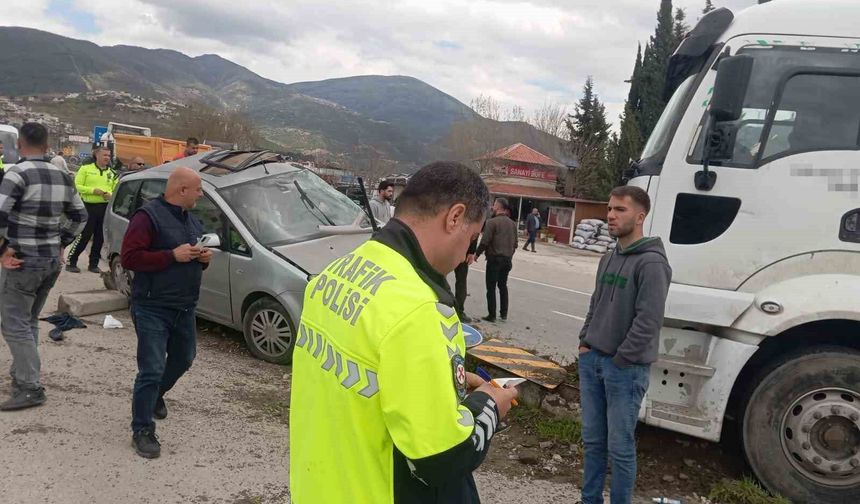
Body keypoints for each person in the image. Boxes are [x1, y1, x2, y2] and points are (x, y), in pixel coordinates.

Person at [290, 161, 519, 504]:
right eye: (471, 240)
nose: (465, 256)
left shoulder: (340, 270)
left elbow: (371, 370)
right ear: (454, 217)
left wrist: (443, 379)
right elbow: (442, 457)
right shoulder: (418, 309)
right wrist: (490, 404)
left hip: (319, 486)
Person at [577, 186, 672, 504]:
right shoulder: (608, 258)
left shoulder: (652, 264)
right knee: (592, 442)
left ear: (640, 216)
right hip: (593, 362)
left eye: (620, 210)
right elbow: (596, 302)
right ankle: (589, 500)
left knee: (620, 448)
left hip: (625, 370)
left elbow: (648, 320)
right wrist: (584, 342)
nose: (610, 216)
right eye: (609, 209)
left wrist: (621, 359)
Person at [121, 166, 212, 459]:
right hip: (152, 307)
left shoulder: (191, 221)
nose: (201, 194)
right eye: (198, 189)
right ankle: (142, 430)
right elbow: (130, 258)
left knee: (185, 358)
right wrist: (172, 255)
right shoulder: (147, 217)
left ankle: (156, 394)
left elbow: (191, 258)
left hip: (184, 306)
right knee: (151, 368)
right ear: (181, 190)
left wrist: (202, 259)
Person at [0, 123, 87, 411]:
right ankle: (22, 375)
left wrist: (2, 251)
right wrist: (62, 242)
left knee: (14, 324)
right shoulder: (64, 175)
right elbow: (80, 216)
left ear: (21, 144)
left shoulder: (17, 173)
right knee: (30, 320)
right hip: (50, 261)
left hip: (23, 260)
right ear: (47, 144)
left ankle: (30, 386)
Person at [66, 145, 117, 274]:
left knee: (100, 237)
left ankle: (93, 264)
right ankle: (71, 261)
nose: (107, 158)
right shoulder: (85, 169)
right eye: (104, 155)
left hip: (104, 208)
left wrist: (110, 194)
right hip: (88, 207)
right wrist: (93, 191)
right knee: (84, 235)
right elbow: (77, 186)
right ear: (97, 155)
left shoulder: (111, 173)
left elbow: (115, 188)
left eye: (109, 155)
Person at [475, 198, 517, 323]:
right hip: (507, 260)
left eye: (494, 205)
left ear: (499, 208)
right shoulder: (512, 224)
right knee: (503, 286)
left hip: (494, 259)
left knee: (491, 287)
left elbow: (485, 241)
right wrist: (509, 255)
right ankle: (503, 314)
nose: (492, 207)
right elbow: (515, 244)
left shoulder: (491, 222)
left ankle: (491, 315)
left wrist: (476, 254)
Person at [454, 238, 478, 323]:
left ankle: (437, 306)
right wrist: (471, 251)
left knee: (439, 276)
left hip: (449, 245)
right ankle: (459, 311)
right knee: (461, 281)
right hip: (464, 249)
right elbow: (475, 231)